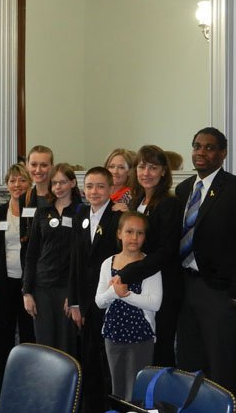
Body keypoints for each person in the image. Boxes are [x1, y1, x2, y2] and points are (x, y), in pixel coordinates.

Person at [175, 127, 236, 395]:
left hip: (220, 294)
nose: (201, 152)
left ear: (223, 154)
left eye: (209, 147)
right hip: (185, 289)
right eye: (197, 146)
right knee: (188, 367)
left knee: (221, 369)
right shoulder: (183, 189)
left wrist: (235, 295)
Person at [115, 145, 182, 366]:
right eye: (142, 167)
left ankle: (161, 399)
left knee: (161, 347)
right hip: (139, 284)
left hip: (162, 284)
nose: (146, 173)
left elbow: (166, 251)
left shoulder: (169, 203)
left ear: (164, 171)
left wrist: (128, 272)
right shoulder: (136, 202)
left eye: (153, 168)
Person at [0, 163, 35, 406]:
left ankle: (29, 391)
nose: (17, 185)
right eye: (12, 180)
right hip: (2, 285)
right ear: (7, 184)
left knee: (29, 340)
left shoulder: (38, 212)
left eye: (22, 180)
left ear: (30, 183)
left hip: (29, 288)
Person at [68, 166, 122, 412]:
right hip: (86, 301)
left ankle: (110, 405)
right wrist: (75, 302)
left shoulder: (119, 217)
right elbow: (76, 261)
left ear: (111, 189)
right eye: (89, 186)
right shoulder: (81, 216)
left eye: (100, 186)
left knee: (107, 358)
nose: (94, 191)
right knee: (88, 357)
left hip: (111, 299)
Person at [95, 211, 162, 400]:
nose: (134, 237)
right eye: (129, 231)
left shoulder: (150, 264)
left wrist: (124, 294)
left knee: (136, 390)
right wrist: (113, 293)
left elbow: (154, 303)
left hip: (140, 334)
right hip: (113, 333)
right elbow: (100, 301)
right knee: (117, 389)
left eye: (140, 233)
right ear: (119, 234)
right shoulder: (108, 263)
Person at [23, 163, 82, 355]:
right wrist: (27, 292)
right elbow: (31, 254)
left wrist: (74, 295)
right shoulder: (43, 212)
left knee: (67, 345)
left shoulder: (82, 213)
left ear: (73, 183)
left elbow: (83, 256)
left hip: (67, 286)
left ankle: (69, 385)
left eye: (63, 182)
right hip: (42, 287)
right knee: (44, 345)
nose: (58, 187)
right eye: (54, 183)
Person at [20, 145, 54, 261]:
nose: (38, 170)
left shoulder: (63, 196)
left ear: (52, 167)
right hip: (33, 265)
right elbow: (24, 236)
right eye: (34, 165)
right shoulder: (24, 199)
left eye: (44, 165)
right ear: (27, 166)